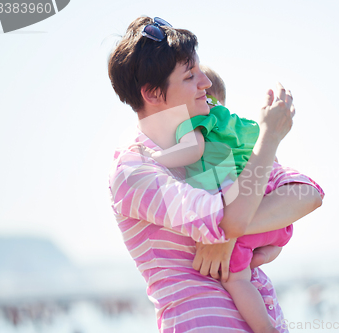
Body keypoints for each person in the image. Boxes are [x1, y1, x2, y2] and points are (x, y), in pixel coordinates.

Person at [107, 16, 324, 332]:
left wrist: (231, 234)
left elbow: (307, 194)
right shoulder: (134, 170)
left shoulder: (216, 143)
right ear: (152, 94)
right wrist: (269, 137)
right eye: (190, 76)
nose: (205, 83)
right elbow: (227, 221)